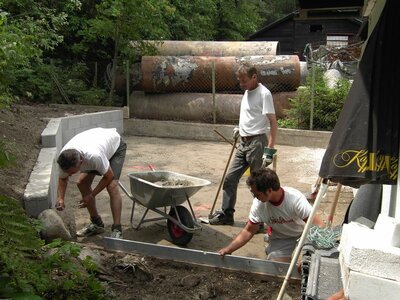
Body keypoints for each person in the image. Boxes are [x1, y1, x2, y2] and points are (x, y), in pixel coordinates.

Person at [209, 63, 278, 226]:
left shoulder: (264, 94)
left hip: (257, 144)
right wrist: (239, 128)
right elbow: (248, 115)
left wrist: (269, 149)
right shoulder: (247, 92)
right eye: (239, 81)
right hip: (243, 143)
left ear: (254, 77)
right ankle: (227, 214)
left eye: (244, 81)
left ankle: (260, 221)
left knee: (258, 185)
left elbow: (273, 123)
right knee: (230, 178)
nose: (241, 84)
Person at [218, 168, 324, 262]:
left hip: (304, 236)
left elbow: (319, 226)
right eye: (253, 193)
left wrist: (308, 255)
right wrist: (229, 249)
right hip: (281, 238)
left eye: (257, 194)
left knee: (306, 267)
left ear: (269, 190)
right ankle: (272, 249)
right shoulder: (258, 204)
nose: (255, 197)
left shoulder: (295, 200)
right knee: (278, 267)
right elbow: (249, 230)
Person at [55, 127, 127, 239]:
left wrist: (91, 195)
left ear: (81, 163)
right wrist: (61, 198)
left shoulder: (94, 156)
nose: (69, 175)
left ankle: (117, 229)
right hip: (97, 143)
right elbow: (63, 179)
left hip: (115, 146)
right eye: (68, 172)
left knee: (112, 186)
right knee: (81, 183)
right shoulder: (64, 158)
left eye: (72, 172)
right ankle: (97, 224)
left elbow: (109, 176)